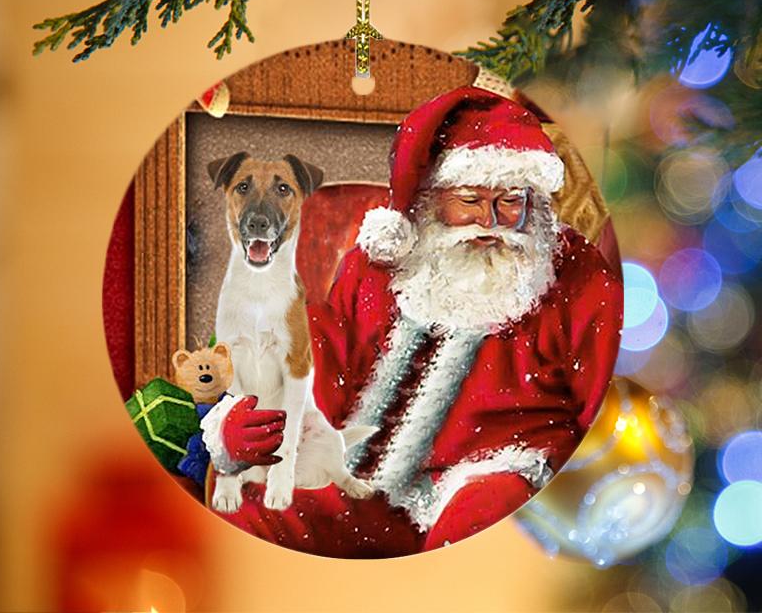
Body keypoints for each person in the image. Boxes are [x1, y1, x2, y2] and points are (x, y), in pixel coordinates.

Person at [205, 86, 623, 557]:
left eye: (510, 201)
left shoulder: (576, 276)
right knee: (256, 514)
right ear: (431, 198)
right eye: (469, 199)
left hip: (497, 474)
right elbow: (324, 365)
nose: (492, 221)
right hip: (370, 480)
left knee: (477, 526)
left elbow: (606, 406)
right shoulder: (382, 265)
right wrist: (250, 419)